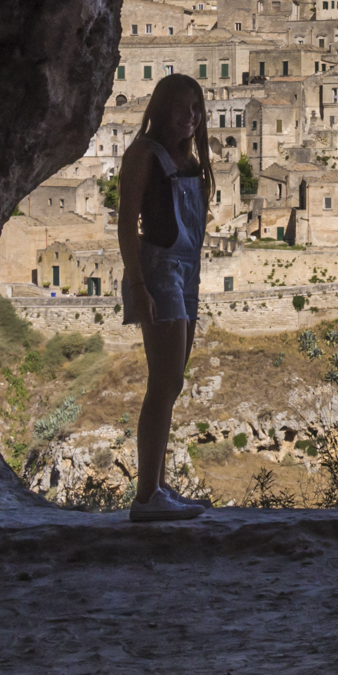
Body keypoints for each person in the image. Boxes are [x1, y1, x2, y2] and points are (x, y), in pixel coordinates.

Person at [117, 74, 215, 523]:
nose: (190, 116)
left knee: (172, 384)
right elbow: (126, 225)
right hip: (159, 272)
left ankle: (157, 485)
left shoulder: (190, 160)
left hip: (188, 273)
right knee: (163, 382)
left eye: (196, 108)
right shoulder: (144, 154)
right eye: (182, 107)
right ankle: (146, 497)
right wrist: (138, 287)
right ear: (161, 109)